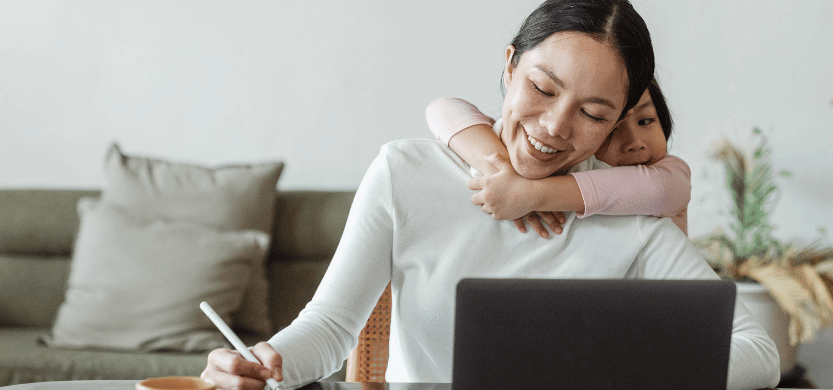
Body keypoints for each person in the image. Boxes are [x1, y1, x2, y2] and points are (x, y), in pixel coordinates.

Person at [201, 1, 780, 389]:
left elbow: (759, 353)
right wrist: (260, 366)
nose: (555, 126)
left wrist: (622, 366)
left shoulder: (631, 216)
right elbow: (329, 329)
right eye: (541, 88)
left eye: (593, 113)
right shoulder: (406, 173)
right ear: (509, 67)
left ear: (615, 125)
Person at [425, 78, 691, 237]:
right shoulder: (570, 166)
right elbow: (443, 109)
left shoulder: (670, 173)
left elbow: (660, 190)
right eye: (611, 130)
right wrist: (502, 172)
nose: (635, 143)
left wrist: (530, 193)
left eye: (646, 121)